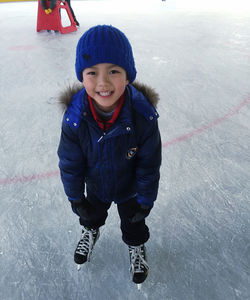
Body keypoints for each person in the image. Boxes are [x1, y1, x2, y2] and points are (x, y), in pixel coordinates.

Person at [57, 25, 161, 286]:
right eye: (93, 73)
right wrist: (75, 197)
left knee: (134, 224)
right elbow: (70, 163)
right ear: (82, 76)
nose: (103, 82)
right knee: (91, 214)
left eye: (114, 71)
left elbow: (149, 164)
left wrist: (146, 200)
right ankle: (90, 230)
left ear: (128, 75)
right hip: (96, 185)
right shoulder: (75, 118)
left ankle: (136, 247)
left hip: (131, 189)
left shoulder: (143, 116)